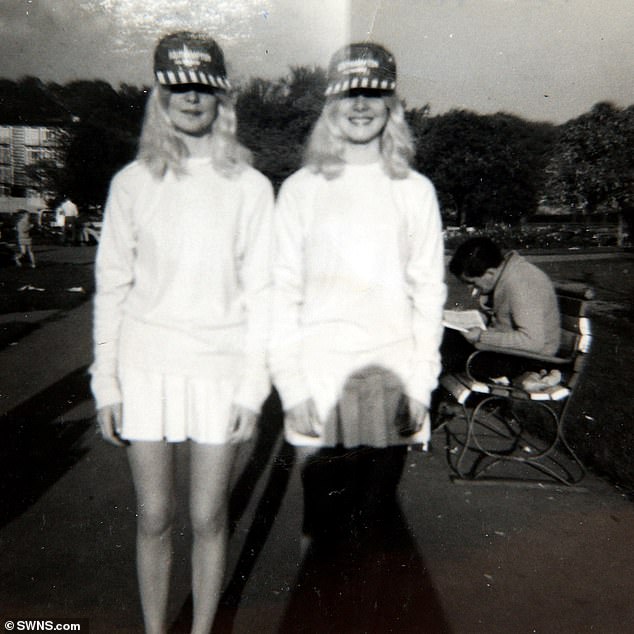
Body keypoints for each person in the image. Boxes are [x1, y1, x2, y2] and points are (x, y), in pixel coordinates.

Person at [90, 32, 273, 634]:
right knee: (154, 516)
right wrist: (107, 385)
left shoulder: (249, 186)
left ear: (222, 99)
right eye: (179, 86)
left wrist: (253, 388)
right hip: (146, 369)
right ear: (161, 96)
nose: (192, 98)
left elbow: (264, 293)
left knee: (209, 515)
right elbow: (112, 289)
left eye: (204, 87)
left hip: (219, 371)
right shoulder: (131, 184)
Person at [268, 43, 446, 545]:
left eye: (373, 92)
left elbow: (429, 294)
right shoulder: (301, 189)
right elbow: (280, 292)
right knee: (321, 531)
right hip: (320, 381)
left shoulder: (415, 190)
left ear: (391, 105)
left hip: (389, 382)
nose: (361, 104)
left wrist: (420, 383)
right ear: (331, 105)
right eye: (349, 93)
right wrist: (292, 386)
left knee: (373, 529)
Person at [445, 236, 561, 384]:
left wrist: (482, 336)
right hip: (507, 353)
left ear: (490, 273)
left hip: (530, 361)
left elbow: (532, 341)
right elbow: (504, 317)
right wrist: (471, 318)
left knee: (437, 352)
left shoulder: (521, 283)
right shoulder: (506, 275)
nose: (471, 289)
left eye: (472, 283)